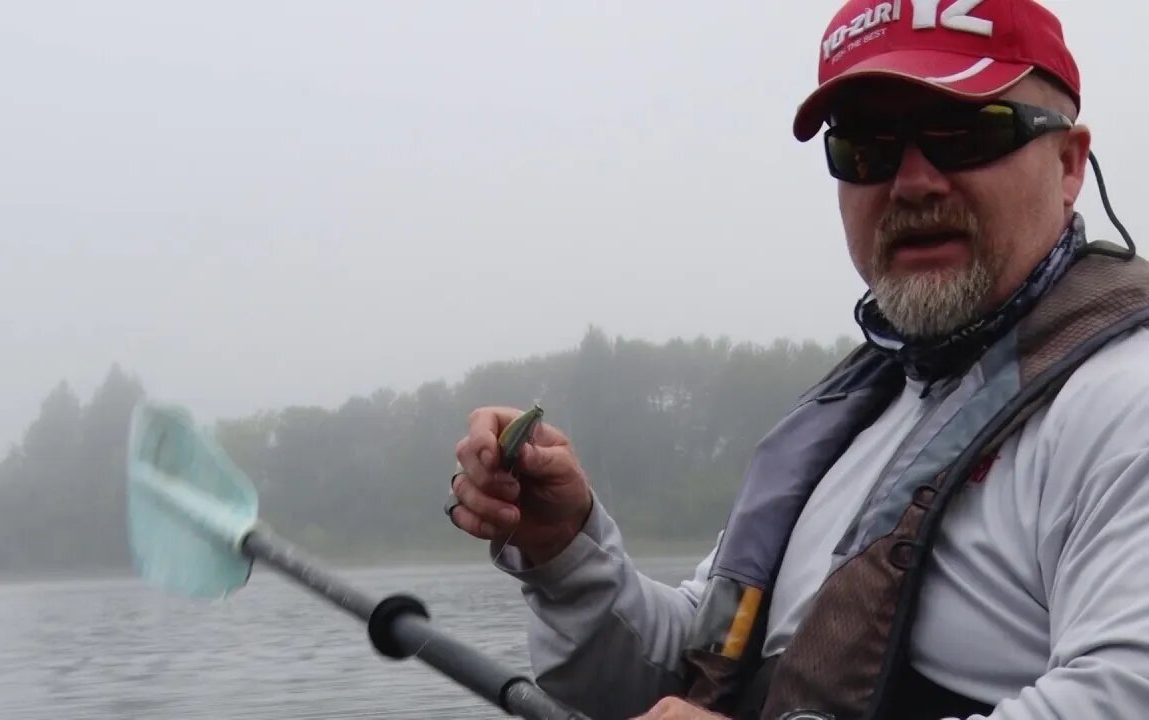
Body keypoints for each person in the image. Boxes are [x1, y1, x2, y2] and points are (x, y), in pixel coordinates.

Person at [447, 1, 1149, 719]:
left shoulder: (1126, 400)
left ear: (1067, 165)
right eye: (868, 148)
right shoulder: (859, 416)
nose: (912, 182)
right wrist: (564, 552)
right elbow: (686, 669)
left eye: (962, 133)